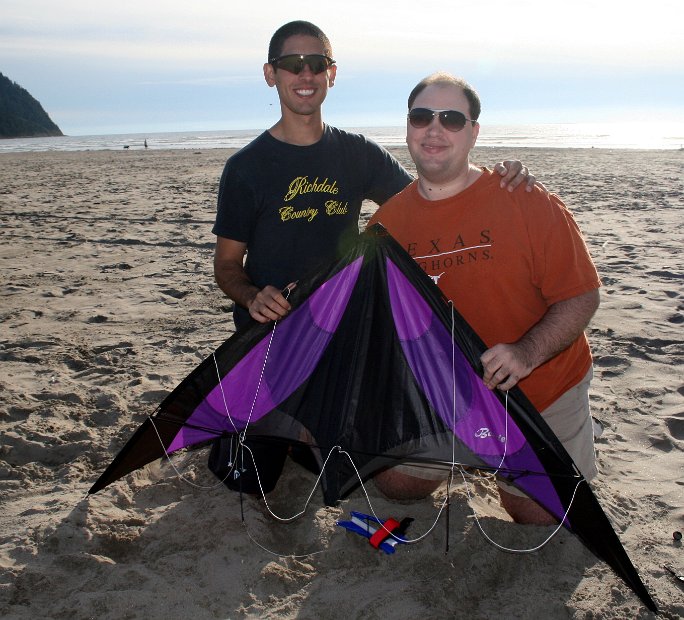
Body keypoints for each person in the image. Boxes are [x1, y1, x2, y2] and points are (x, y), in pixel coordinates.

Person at [209, 22, 536, 495]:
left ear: (332, 74)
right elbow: (225, 267)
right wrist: (252, 295)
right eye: (292, 65)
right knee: (247, 481)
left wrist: (497, 177)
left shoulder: (356, 154)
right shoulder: (246, 168)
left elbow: (429, 197)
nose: (305, 74)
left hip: (341, 337)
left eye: (316, 64)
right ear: (270, 74)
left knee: (350, 460)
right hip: (273, 341)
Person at [368, 72, 601, 525]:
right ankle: (463, 451)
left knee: (538, 516)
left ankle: (534, 459)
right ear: (408, 128)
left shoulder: (527, 200)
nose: (434, 129)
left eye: (452, 119)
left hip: (541, 387)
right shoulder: (387, 223)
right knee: (396, 486)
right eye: (421, 117)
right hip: (443, 392)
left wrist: (525, 353)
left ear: (474, 132)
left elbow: (582, 297)